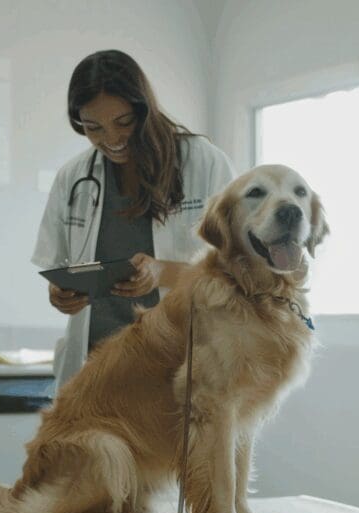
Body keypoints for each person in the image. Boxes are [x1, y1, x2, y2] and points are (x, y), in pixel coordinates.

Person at [32, 49, 236, 385]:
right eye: (92, 127)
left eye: (123, 122)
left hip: (179, 364)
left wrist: (163, 272)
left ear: (144, 109)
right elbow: (58, 265)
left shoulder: (205, 163)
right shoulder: (73, 176)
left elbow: (237, 274)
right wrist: (61, 294)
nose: (110, 139)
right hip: (97, 367)